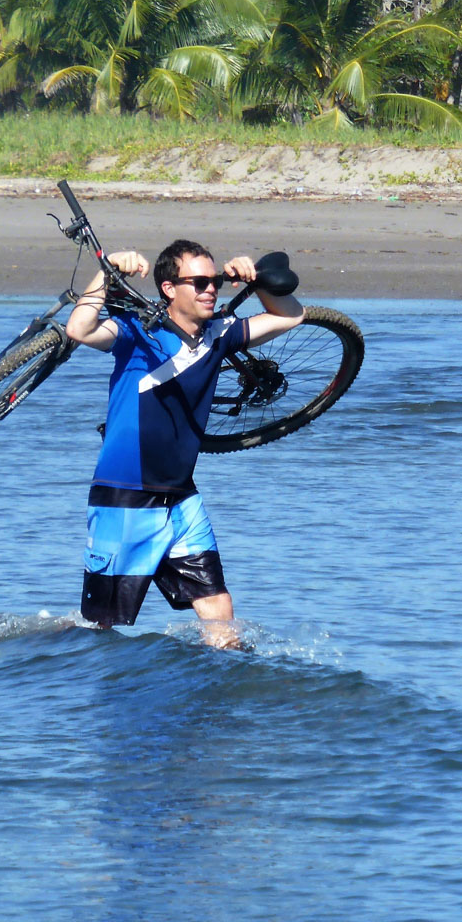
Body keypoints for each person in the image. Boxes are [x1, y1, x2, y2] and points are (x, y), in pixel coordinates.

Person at [64, 238, 304, 645]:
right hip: (125, 497)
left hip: (181, 498)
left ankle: (222, 681)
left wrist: (258, 280)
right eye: (199, 282)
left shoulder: (220, 333)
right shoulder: (137, 332)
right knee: (98, 632)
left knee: (218, 609)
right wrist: (107, 274)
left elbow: (292, 315)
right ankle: (37, 655)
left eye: (215, 281)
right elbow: (79, 329)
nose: (211, 290)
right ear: (169, 289)